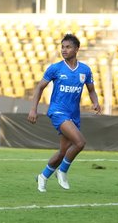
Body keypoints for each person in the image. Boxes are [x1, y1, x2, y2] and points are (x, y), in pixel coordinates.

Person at [27, 33, 102, 192]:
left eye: (68, 47)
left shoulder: (85, 70)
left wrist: (95, 102)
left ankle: (43, 176)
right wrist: (33, 109)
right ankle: (62, 171)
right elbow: (40, 87)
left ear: (76, 49)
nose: (64, 50)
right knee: (80, 143)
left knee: (63, 152)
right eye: (62, 47)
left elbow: (91, 90)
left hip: (73, 115)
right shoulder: (55, 68)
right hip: (58, 112)